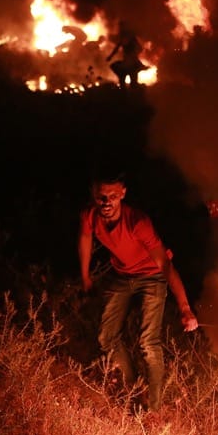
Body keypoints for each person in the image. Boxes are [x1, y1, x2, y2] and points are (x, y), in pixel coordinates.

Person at [79, 172, 199, 412]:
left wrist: (185, 309)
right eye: (102, 196)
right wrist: (85, 276)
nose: (107, 202)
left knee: (148, 342)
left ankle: (153, 410)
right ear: (94, 194)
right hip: (122, 275)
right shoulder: (90, 215)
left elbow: (165, 264)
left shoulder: (138, 222)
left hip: (151, 276)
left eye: (113, 196)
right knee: (107, 337)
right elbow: (85, 238)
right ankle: (133, 391)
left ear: (123, 194)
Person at [106, 21, 146, 87]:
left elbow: (139, 48)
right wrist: (110, 56)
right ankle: (128, 89)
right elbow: (117, 47)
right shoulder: (126, 38)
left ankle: (131, 89)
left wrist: (134, 55)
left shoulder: (130, 38)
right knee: (126, 78)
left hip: (131, 61)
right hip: (129, 61)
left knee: (130, 79)